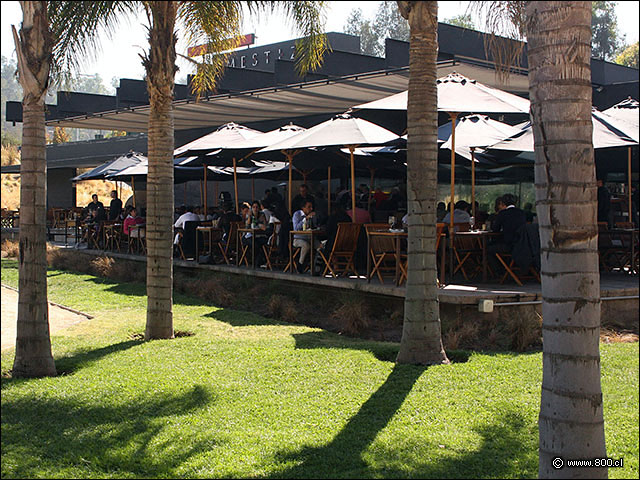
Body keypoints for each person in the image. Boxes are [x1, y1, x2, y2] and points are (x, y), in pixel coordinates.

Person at [292, 200, 319, 269]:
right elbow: (296, 228)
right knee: (306, 245)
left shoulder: (311, 215)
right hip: (299, 238)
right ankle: (300, 264)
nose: (311, 209)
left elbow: (314, 226)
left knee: (320, 247)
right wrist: (305, 219)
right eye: (309, 207)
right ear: (303, 208)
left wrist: (314, 220)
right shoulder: (297, 214)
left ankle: (314, 266)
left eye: (311, 207)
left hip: (310, 237)